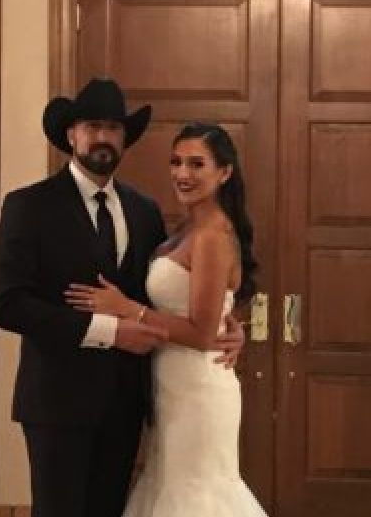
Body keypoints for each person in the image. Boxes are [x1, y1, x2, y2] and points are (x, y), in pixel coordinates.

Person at [0, 79, 246, 517]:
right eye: (92, 126)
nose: (103, 137)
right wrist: (109, 331)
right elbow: (9, 305)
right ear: (71, 135)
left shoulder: (144, 210)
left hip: (129, 405)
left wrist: (230, 325)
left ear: (125, 138)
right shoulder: (28, 206)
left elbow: (177, 292)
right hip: (58, 405)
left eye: (113, 128)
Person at [66, 121, 268, 516]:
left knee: (195, 495)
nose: (182, 173)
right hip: (169, 383)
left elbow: (201, 333)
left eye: (197, 164)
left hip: (198, 389)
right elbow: (201, 304)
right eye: (176, 162)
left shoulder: (212, 235)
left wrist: (129, 309)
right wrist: (231, 322)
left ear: (224, 172)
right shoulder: (187, 227)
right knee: (168, 490)